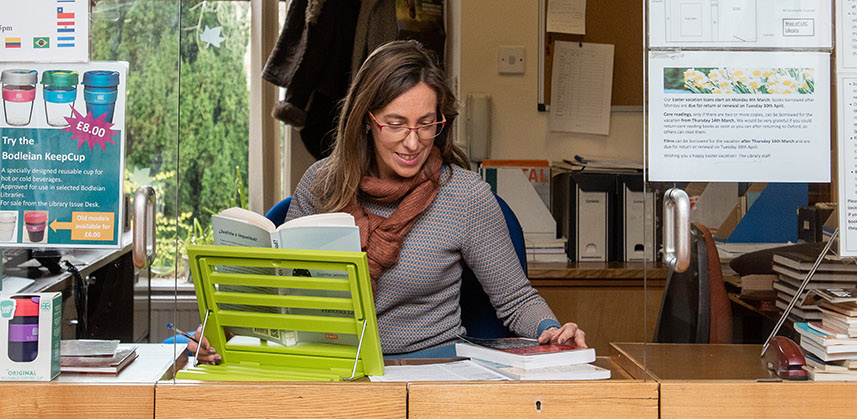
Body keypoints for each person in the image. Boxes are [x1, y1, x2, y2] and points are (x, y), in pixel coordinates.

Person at [191, 40, 586, 362]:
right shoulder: (321, 185)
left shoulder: (466, 197)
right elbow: (278, 298)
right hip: (331, 367)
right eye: (395, 124)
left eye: (426, 123)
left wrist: (551, 330)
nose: (413, 142)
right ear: (366, 118)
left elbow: (516, 300)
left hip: (431, 367)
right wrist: (220, 332)